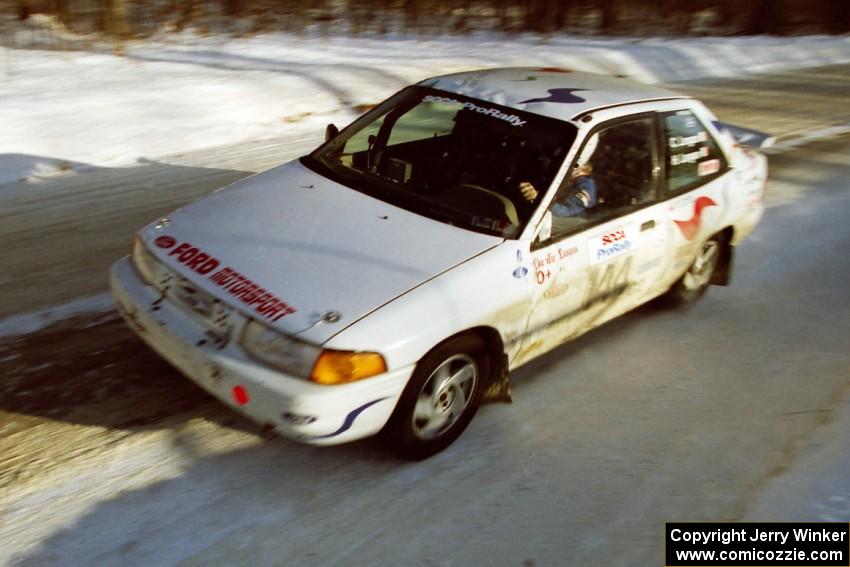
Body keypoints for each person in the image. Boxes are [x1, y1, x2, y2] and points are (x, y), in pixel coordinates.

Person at [518, 133, 598, 217]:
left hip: (567, 226)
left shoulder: (586, 187)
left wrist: (538, 198)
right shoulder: (566, 179)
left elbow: (564, 212)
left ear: (577, 165)